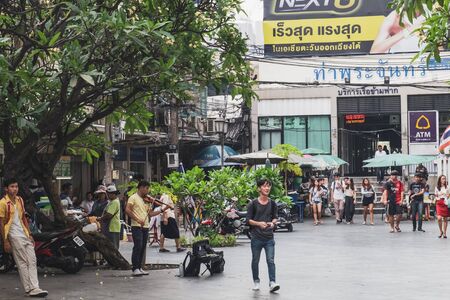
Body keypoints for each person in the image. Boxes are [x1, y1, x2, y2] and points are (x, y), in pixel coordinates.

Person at [0, 178, 48, 297]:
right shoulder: (3, 203)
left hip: (24, 233)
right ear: (6, 188)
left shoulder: (20, 200)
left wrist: (29, 234)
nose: (15, 189)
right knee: (22, 262)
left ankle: (35, 287)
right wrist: (5, 241)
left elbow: (23, 218)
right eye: (12, 186)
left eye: (16, 186)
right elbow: (1, 223)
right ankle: (29, 289)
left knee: (32, 260)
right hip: (13, 235)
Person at [125, 181, 168, 277]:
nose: (148, 190)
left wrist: (162, 210)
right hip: (136, 225)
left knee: (143, 247)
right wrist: (137, 219)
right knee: (138, 246)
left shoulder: (146, 200)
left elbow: (150, 213)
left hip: (145, 226)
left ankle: (139, 267)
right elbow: (127, 210)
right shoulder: (133, 197)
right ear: (141, 188)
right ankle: (135, 268)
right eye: (147, 188)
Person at [246, 179, 280, 293]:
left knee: (270, 260)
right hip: (256, 238)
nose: (267, 188)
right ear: (259, 189)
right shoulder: (253, 203)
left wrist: (272, 222)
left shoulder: (272, 203)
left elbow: (275, 217)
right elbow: (248, 220)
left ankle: (272, 283)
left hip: (269, 237)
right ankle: (256, 281)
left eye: (268, 186)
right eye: (265, 186)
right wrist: (258, 223)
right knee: (255, 260)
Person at [97, 185, 121, 249]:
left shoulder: (114, 202)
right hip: (111, 227)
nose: (107, 195)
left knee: (112, 247)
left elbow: (109, 214)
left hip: (112, 227)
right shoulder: (112, 202)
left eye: (109, 194)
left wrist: (100, 218)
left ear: (113, 194)